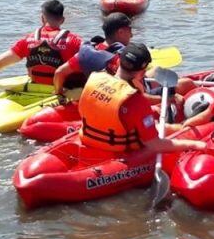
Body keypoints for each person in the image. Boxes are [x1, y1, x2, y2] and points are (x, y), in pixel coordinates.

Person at [78, 42, 206, 155]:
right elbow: (155, 145)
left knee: (155, 112)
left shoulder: (96, 78)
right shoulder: (135, 101)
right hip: (120, 150)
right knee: (173, 127)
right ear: (142, 72)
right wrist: (192, 144)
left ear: (119, 61)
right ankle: (185, 127)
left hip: (91, 139)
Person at [0, 0, 82, 91]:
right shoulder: (74, 41)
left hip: (34, 87)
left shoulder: (28, 40)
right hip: (60, 90)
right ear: (62, 20)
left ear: (42, 18)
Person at [52, 12, 131, 94]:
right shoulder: (124, 59)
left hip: (89, 98)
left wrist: (59, 93)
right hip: (112, 101)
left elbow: (59, 73)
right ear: (120, 32)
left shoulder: (86, 53)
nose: (131, 35)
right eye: (130, 31)